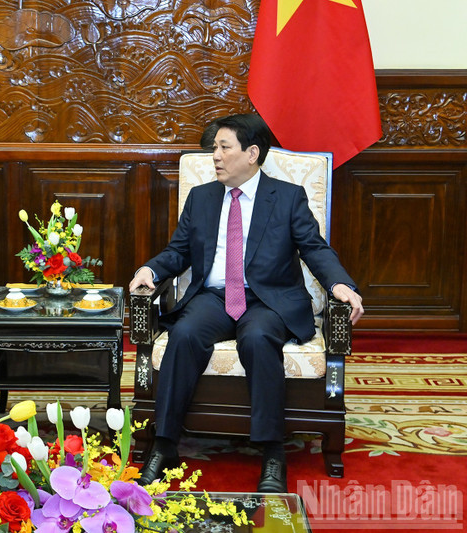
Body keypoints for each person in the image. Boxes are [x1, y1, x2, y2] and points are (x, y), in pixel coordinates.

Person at [129, 113, 363, 491]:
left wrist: (340, 284)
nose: (215, 157)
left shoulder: (287, 197)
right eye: (214, 149)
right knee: (185, 334)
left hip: (267, 299)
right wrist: (150, 271)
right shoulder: (202, 197)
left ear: (252, 153)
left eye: (224, 148)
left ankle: (272, 452)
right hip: (215, 296)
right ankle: (165, 443)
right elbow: (178, 251)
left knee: (257, 339)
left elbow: (314, 248)